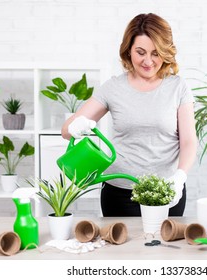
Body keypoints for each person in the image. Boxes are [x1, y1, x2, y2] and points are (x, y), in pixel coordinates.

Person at [61, 13, 197, 217]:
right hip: (120, 193)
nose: (148, 61)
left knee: (165, 248)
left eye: (156, 53)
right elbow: (66, 131)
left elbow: (188, 141)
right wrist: (75, 127)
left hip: (166, 191)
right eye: (140, 52)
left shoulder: (178, 87)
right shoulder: (113, 87)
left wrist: (180, 177)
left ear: (165, 52)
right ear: (128, 50)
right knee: (121, 249)